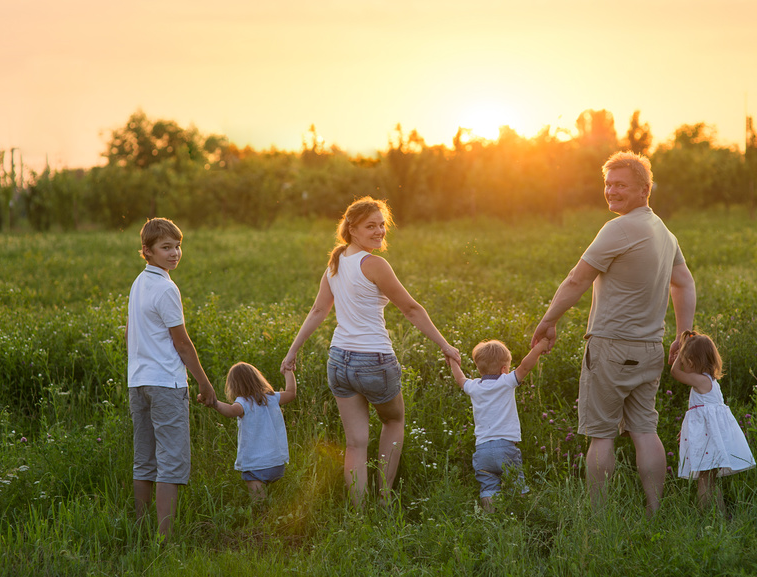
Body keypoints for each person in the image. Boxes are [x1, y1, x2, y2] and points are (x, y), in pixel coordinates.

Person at [531, 151, 696, 516]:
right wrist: (683, 334)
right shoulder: (664, 232)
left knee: (601, 434)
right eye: (607, 184)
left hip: (610, 347)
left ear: (644, 189)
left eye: (620, 185)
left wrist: (548, 321)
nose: (611, 191)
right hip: (651, 347)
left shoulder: (618, 229)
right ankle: (655, 510)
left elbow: (577, 278)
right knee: (644, 429)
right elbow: (684, 284)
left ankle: (599, 517)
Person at [280, 196, 460, 506]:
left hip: (338, 361)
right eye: (370, 226)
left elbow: (317, 312)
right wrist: (445, 345)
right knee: (393, 422)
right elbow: (411, 308)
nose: (379, 232)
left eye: (382, 225)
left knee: (355, 443)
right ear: (352, 228)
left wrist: (292, 351)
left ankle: (358, 516)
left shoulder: (334, 264)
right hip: (374, 360)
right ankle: (384, 498)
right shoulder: (374, 263)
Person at [126, 217, 216, 538]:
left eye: (177, 246)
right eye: (166, 248)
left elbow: (131, 335)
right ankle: (164, 542)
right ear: (147, 252)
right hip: (166, 383)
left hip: (138, 383)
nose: (175, 253)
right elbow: (182, 343)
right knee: (171, 463)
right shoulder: (166, 288)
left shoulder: (139, 283)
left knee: (144, 459)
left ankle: (139, 528)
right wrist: (205, 385)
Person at [447, 338, 550, 512]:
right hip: (506, 448)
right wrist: (539, 347)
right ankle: (521, 518)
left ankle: (491, 520)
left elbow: (459, 378)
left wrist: (452, 360)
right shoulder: (506, 381)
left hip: (482, 449)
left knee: (488, 487)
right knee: (516, 484)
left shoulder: (473, 387)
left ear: (479, 369)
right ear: (504, 369)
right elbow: (525, 366)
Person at [670, 330, 755, 516]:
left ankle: (707, 517)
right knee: (709, 479)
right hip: (712, 440)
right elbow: (700, 419)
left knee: (704, 479)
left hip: (707, 441)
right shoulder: (711, 382)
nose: (683, 365)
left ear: (692, 362)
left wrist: (679, 351)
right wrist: (687, 434)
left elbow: (674, 372)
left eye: (685, 361)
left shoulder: (700, 381)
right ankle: (721, 515)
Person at [199, 362, 297, 502]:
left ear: (235, 386)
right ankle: (278, 518)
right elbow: (291, 393)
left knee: (259, 505)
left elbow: (230, 411)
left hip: (256, 465)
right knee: (275, 501)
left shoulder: (243, 402)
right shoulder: (271, 397)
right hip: (276, 463)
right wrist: (288, 372)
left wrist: (213, 402)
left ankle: (263, 521)